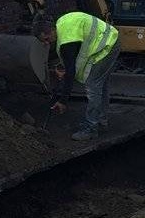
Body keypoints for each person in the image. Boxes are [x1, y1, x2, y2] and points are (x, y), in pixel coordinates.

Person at [32, 12, 120, 141]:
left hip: (107, 46)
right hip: (111, 38)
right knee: (101, 85)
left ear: (51, 31)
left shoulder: (67, 40)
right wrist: (65, 69)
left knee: (92, 86)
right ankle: (100, 121)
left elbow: (71, 71)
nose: (47, 43)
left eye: (46, 39)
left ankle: (91, 128)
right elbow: (71, 61)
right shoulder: (61, 24)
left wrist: (63, 100)